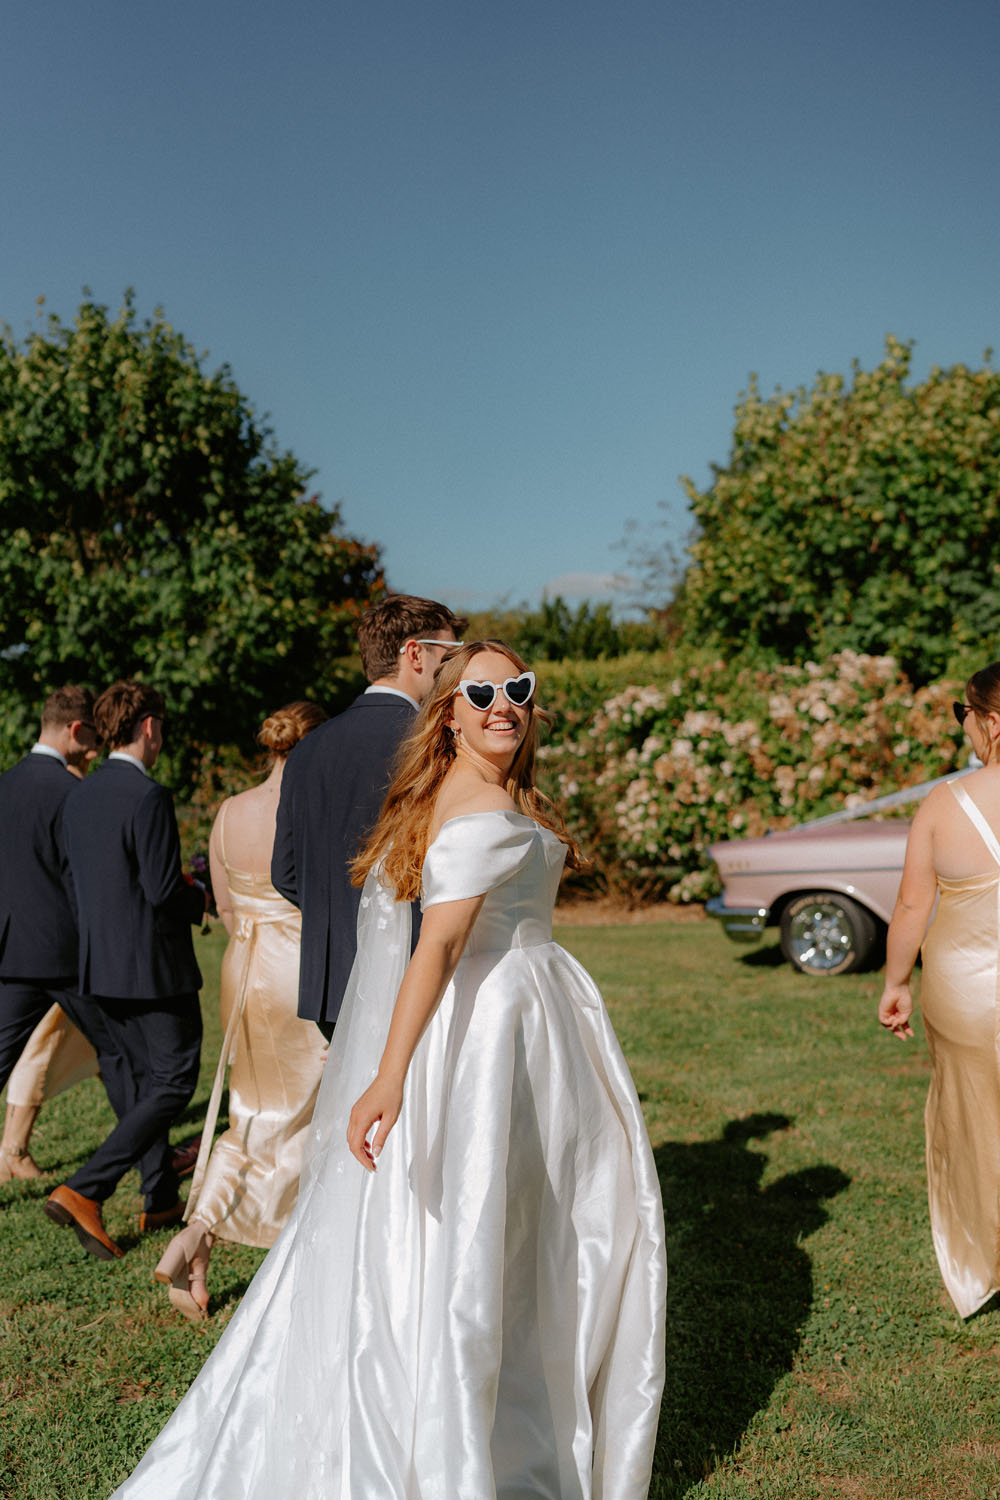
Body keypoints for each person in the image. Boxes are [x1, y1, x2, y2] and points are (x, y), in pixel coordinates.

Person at [109, 641, 667, 1500]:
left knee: (528, 1215)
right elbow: (436, 947)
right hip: (495, 1026)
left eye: (518, 689)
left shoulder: (478, 792)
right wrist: (388, 1076)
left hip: (528, 1017)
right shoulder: (477, 806)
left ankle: (514, 1399)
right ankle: (479, 1429)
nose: (503, 704)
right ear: (448, 716)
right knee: (500, 1222)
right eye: (480, 692)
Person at [154, 701, 330, 1321]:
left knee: (249, 1111)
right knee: (306, 1112)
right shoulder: (313, 809)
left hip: (243, 964)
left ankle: (197, 1233)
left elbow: (226, 908)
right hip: (299, 963)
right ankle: (303, 1244)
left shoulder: (230, 811)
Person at [45, 680, 207, 1261]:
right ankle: (86, 1188)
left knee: (143, 1086)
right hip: (153, 969)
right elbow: (163, 890)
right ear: (148, 726)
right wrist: (202, 897)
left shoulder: (78, 795)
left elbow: (74, 882)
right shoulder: (149, 796)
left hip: (100, 965)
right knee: (175, 1080)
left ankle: (159, 1196)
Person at [271, 593, 466, 1038]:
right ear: (415, 654)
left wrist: (338, 917)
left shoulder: (306, 750)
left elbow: (285, 873)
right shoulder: (434, 745)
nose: (456, 671)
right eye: (449, 655)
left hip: (330, 986)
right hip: (414, 976)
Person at [879, 661, 1000, 1317]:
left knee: (972, 1117)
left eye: (965, 714)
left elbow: (909, 907)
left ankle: (983, 1261)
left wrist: (896, 981)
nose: (963, 727)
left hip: (965, 990)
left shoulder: (943, 804)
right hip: (969, 983)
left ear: (992, 722)